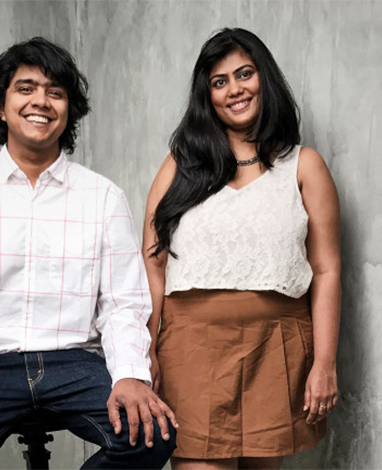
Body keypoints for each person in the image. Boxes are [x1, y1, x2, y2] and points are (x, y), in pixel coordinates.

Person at [0, 37, 176, 470]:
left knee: (151, 436)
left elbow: (123, 303)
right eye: (26, 88)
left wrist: (130, 374)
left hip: (74, 363)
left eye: (55, 92)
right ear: (1, 106)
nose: (41, 101)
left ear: (68, 110)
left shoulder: (103, 196)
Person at [143, 28, 341, 469]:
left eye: (244, 74)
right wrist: (146, 352)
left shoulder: (304, 166)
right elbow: (153, 265)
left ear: (264, 79)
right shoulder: (180, 167)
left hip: (276, 349)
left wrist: (325, 363)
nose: (234, 89)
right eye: (220, 81)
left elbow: (326, 271)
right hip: (191, 353)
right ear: (207, 95)